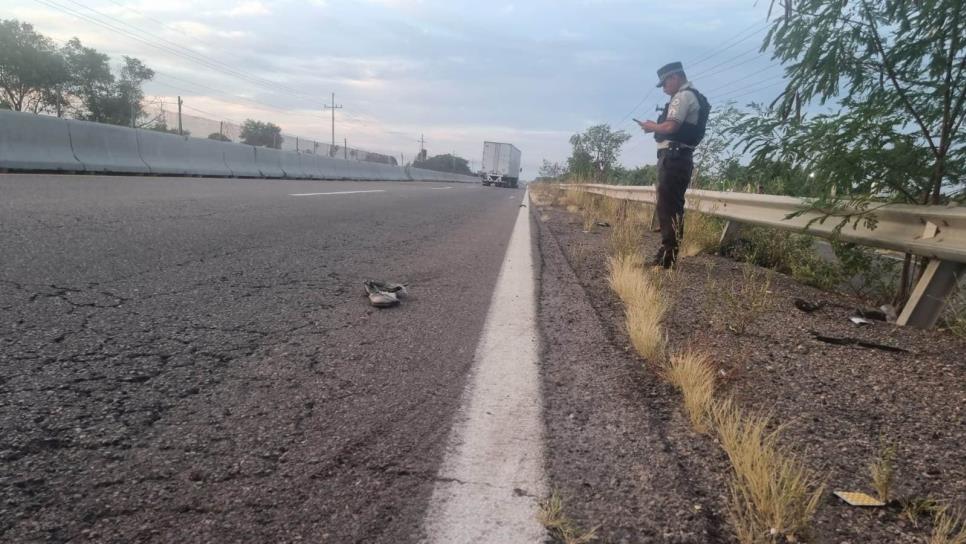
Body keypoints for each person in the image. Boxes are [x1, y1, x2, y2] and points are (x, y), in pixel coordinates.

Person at [637, 61, 711, 268]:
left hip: (674, 157)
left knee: (667, 206)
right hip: (680, 157)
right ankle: (667, 252)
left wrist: (652, 127)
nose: (664, 89)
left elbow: (671, 125)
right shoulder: (693, 96)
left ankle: (668, 257)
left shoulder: (682, 96)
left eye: (665, 83)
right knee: (673, 206)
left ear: (675, 77)